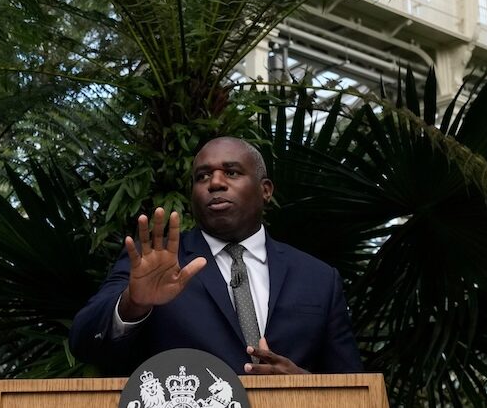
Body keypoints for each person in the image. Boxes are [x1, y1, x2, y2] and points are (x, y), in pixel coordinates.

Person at [69, 137, 363, 375]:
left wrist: (303, 386)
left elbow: (353, 387)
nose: (215, 183)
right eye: (203, 176)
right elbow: (83, 343)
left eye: (232, 172)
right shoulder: (155, 262)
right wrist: (134, 304)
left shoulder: (318, 278)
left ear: (265, 190)